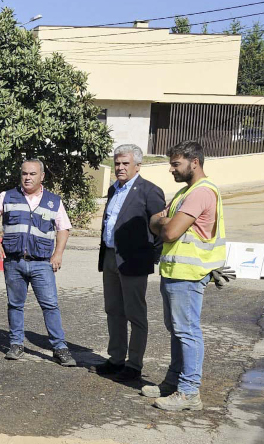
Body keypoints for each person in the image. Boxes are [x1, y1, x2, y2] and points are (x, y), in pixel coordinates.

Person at [147, 140, 226, 411]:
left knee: (187, 331)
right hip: (174, 271)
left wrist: (166, 223)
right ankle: (174, 382)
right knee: (177, 331)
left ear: (195, 162)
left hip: (188, 274)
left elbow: (168, 231)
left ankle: (189, 392)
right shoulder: (185, 192)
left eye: (175, 163)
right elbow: (155, 220)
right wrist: (164, 221)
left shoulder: (201, 192)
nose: (171, 169)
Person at [0, 159, 75, 367]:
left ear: (42, 176)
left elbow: (63, 228)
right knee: (15, 305)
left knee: (50, 305)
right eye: (24, 173)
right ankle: (16, 344)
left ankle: (59, 347)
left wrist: (58, 254)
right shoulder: (8, 196)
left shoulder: (53, 201)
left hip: (42, 263)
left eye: (32, 174)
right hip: (14, 262)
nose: (28, 177)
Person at [96, 144, 166, 382]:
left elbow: (159, 230)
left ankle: (134, 364)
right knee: (113, 310)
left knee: (135, 314)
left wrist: (150, 257)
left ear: (138, 165)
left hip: (134, 260)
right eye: (117, 163)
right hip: (110, 258)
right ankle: (116, 358)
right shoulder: (113, 189)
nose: (120, 167)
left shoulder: (149, 191)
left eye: (125, 163)